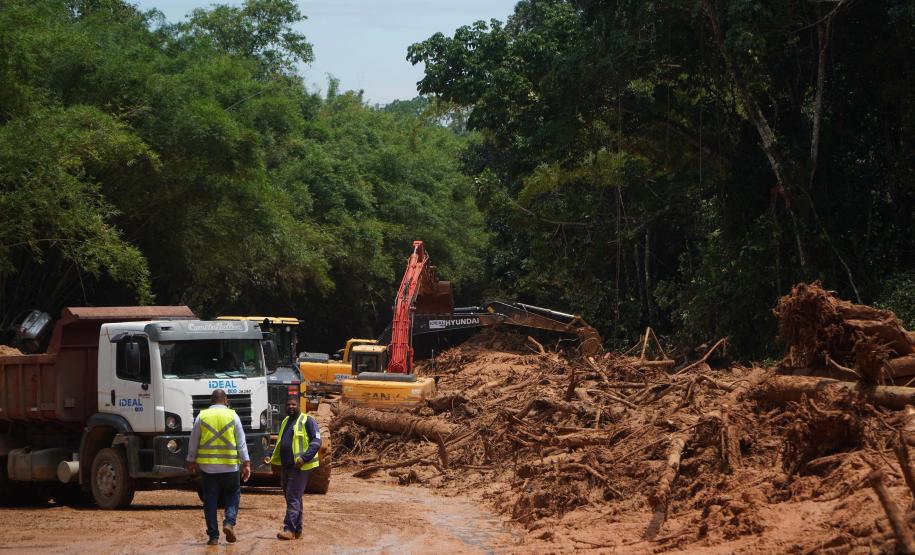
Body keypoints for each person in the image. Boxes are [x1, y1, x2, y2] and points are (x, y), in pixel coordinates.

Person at [186, 389, 252, 545]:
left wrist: (191, 460)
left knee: (210, 499)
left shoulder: (202, 416)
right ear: (226, 400)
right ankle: (229, 522)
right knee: (232, 494)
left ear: (211, 400)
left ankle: (213, 536)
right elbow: (241, 442)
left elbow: (193, 440)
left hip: (208, 468)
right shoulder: (233, 415)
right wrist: (246, 463)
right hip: (230, 467)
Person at [266, 395, 321, 540]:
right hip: (286, 466)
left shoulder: (308, 420)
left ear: (299, 406)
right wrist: (270, 455)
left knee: (292, 497)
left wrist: (304, 458)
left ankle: (289, 529)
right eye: (288, 405)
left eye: (293, 404)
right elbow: (280, 442)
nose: (291, 407)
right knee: (294, 498)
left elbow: (317, 441)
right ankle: (297, 530)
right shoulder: (286, 421)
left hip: (300, 467)